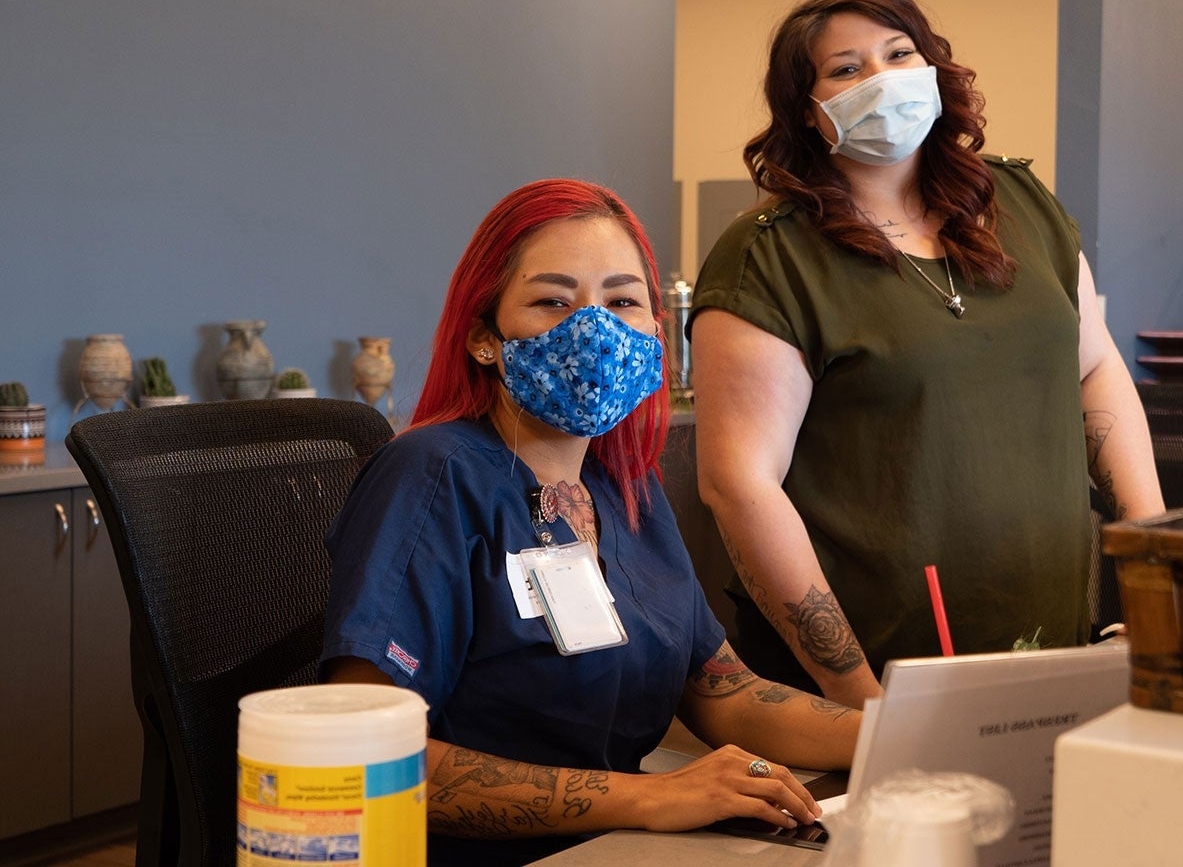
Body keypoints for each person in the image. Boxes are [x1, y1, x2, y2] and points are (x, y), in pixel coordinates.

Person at [319, 178, 860, 867]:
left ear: (655, 330)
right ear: (484, 338)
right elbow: (364, 754)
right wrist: (649, 799)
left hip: (619, 844)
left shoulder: (624, 484)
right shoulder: (432, 475)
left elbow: (724, 690)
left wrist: (899, 730)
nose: (595, 329)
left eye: (622, 300)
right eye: (553, 301)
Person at [688, 0, 1164, 709]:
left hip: (1053, 639)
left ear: (934, 67)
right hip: (877, 675)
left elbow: (1094, 368)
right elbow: (737, 484)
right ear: (808, 112)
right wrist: (857, 696)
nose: (880, 78)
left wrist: (1152, 558)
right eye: (845, 69)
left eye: (898, 52)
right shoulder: (772, 258)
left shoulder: (1021, 206)